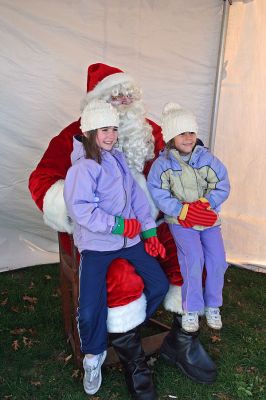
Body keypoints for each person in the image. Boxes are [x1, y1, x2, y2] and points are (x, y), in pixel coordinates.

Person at [29, 63, 217, 390]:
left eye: (127, 96)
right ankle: (132, 357)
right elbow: (41, 181)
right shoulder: (73, 138)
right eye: (114, 98)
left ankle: (182, 339)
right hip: (104, 236)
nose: (123, 104)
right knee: (120, 279)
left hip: (149, 226)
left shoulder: (150, 131)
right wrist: (77, 208)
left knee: (193, 252)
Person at [63, 99, 168, 397]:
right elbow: (81, 210)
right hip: (98, 245)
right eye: (103, 129)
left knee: (158, 283)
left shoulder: (119, 159)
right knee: (90, 307)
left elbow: (136, 199)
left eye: (113, 129)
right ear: (89, 131)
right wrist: (119, 225)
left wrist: (149, 232)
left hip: (130, 242)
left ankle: (125, 329)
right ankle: (93, 355)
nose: (110, 135)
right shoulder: (83, 168)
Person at [147, 103, 230, 335]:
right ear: (171, 137)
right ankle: (191, 308)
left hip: (208, 220)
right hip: (182, 222)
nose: (188, 138)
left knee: (217, 260)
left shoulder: (207, 159)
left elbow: (222, 184)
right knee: (193, 259)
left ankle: (212, 304)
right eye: (182, 133)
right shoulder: (162, 165)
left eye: (191, 132)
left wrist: (207, 203)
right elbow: (158, 192)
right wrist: (181, 210)